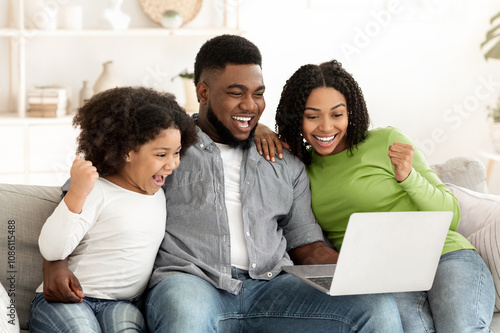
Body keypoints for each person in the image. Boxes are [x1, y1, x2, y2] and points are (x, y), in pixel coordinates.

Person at [42, 35, 404, 332]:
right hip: (191, 282)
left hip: (272, 286)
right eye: (236, 93)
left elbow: (307, 247)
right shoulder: (165, 143)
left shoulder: (283, 160)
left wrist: (363, 271)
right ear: (202, 92)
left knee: (377, 309)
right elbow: (83, 192)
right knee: (184, 316)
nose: (250, 105)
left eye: (258, 93)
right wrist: (53, 262)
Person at [256, 59, 495, 332]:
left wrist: (408, 176)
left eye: (337, 114)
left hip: (445, 255)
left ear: (351, 113)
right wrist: (259, 129)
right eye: (312, 116)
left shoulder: (386, 140)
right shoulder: (299, 168)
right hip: (383, 276)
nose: (325, 127)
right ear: (296, 116)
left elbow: (450, 216)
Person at [29, 86, 198, 332]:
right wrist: (77, 191)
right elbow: (53, 249)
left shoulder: (162, 194)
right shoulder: (97, 190)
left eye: (177, 152)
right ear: (127, 152)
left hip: (121, 304)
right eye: (161, 154)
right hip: (69, 300)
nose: (172, 164)